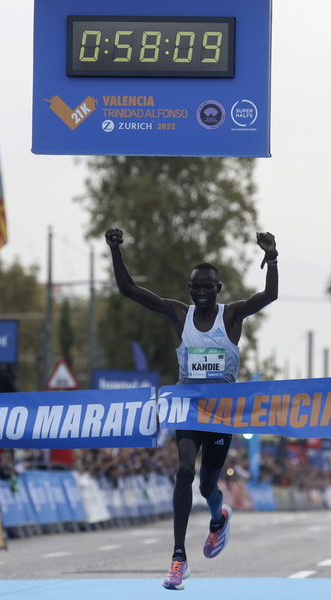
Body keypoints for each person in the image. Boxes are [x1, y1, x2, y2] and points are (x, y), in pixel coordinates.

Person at [105, 227, 278, 591]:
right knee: (184, 469)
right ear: (189, 289)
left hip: (221, 413)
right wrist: (115, 249)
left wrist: (272, 258)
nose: (201, 292)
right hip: (186, 407)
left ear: (217, 289)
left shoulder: (231, 317)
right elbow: (129, 290)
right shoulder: (178, 315)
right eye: (195, 286)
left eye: (207, 286)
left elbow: (270, 294)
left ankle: (219, 517)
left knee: (206, 486)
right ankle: (178, 558)